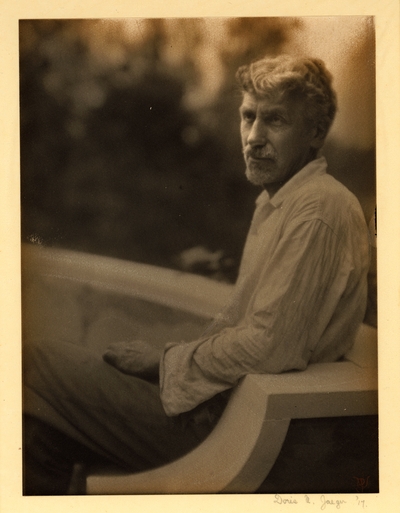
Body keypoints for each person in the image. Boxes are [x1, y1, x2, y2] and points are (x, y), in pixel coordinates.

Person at [23, 54, 370, 495]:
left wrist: (164, 361)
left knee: (34, 365)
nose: (255, 138)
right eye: (248, 118)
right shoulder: (281, 202)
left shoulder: (317, 208)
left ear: (316, 133)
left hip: (239, 433)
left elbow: (268, 345)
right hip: (230, 409)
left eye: (276, 121)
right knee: (52, 415)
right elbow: (256, 326)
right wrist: (169, 360)